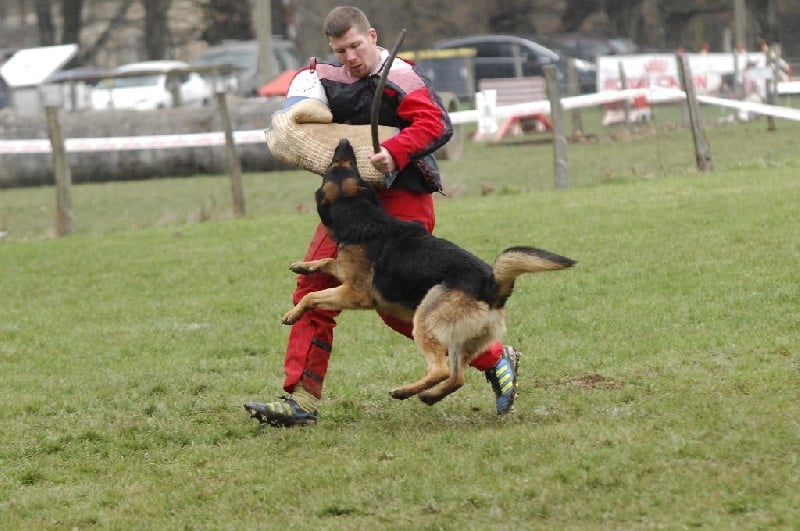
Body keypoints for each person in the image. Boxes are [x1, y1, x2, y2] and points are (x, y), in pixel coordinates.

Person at [245, 5, 520, 427]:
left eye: (356, 46)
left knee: (396, 306)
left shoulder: (402, 76)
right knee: (313, 285)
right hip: (351, 206)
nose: (351, 57)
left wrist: (394, 151)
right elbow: (302, 115)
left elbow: (436, 124)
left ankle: (494, 357)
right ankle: (299, 399)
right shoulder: (324, 78)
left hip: (404, 197)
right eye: (341, 51)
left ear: (372, 36)